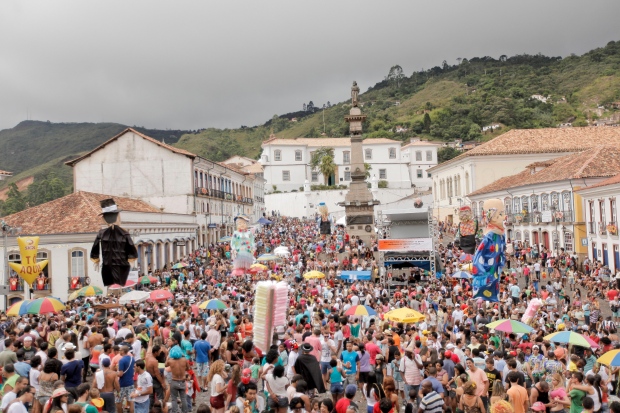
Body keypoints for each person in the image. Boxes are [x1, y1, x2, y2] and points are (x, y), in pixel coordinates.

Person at [116, 346, 135, 413]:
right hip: (130, 382)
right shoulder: (132, 358)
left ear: (123, 351)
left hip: (122, 383)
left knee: (118, 401)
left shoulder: (121, 360)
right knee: (131, 401)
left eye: (120, 350)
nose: (119, 351)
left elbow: (120, 374)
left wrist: (115, 373)